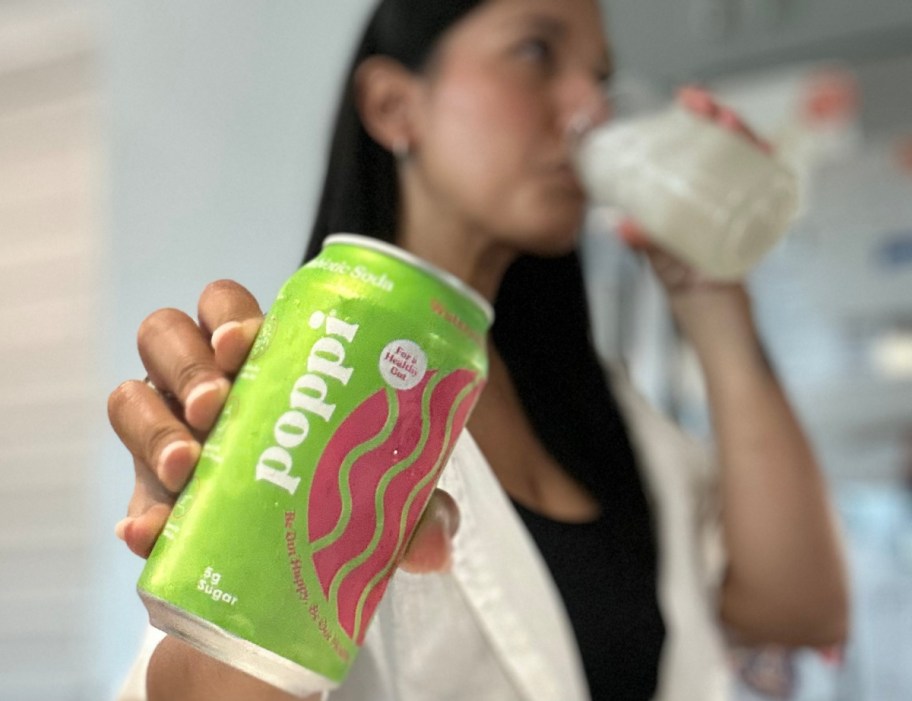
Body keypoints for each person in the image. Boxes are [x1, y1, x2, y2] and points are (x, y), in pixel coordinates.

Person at [108, 0, 850, 699]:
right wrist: (216, 554)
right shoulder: (314, 383)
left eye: (599, 78)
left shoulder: (603, 413)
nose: (588, 109)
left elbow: (798, 611)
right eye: (535, 52)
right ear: (394, 106)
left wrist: (715, 302)